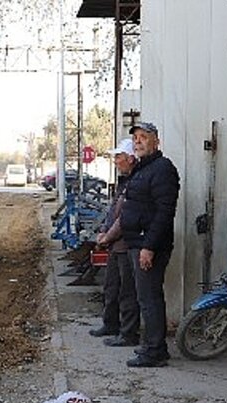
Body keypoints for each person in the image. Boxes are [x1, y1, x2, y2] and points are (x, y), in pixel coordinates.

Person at [118, 122, 179, 367]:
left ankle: (155, 350)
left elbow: (165, 212)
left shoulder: (162, 169)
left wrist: (149, 246)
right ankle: (153, 346)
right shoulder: (143, 168)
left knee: (150, 298)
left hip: (148, 245)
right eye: (136, 139)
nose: (138, 142)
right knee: (146, 297)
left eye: (144, 137)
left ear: (157, 142)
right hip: (137, 242)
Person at [89, 138, 139, 347]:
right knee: (111, 287)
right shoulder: (123, 181)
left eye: (119, 157)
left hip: (126, 244)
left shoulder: (136, 182)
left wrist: (107, 236)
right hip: (115, 245)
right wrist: (103, 230)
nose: (116, 161)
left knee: (127, 291)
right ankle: (110, 324)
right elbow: (113, 212)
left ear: (130, 159)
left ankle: (128, 334)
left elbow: (125, 218)